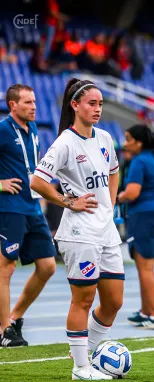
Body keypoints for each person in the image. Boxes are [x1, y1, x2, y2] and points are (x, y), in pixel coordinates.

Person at [31, 78, 124, 381]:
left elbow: (114, 172)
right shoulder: (65, 143)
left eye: (100, 104)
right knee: (83, 300)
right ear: (75, 105)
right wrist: (68, 202)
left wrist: (110, 204)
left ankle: (86, 353)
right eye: (91, 103)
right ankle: (81, 368)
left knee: (114, 301)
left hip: (106, 231)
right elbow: (37, 181)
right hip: (79, 233)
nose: (97, 109)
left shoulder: (105, 138)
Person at [0, 84, 57, 347]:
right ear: (13, 105)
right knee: (6, 267)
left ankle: (15, 317)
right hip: (10, 208)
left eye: (34, 101)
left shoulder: (33, 128)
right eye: (28, 102)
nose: (34, 106)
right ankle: (4, 330)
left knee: (47, 266)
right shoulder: (3, 129)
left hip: (33, 207)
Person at [117, 125, 154, 329]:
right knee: (146, 266)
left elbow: (132, 192)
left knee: (145, 267)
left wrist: (117, 197)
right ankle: (146, 311)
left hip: (144, 214)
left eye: (128, 139)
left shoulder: (139, 161)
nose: (125, 143)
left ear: (139, 143)